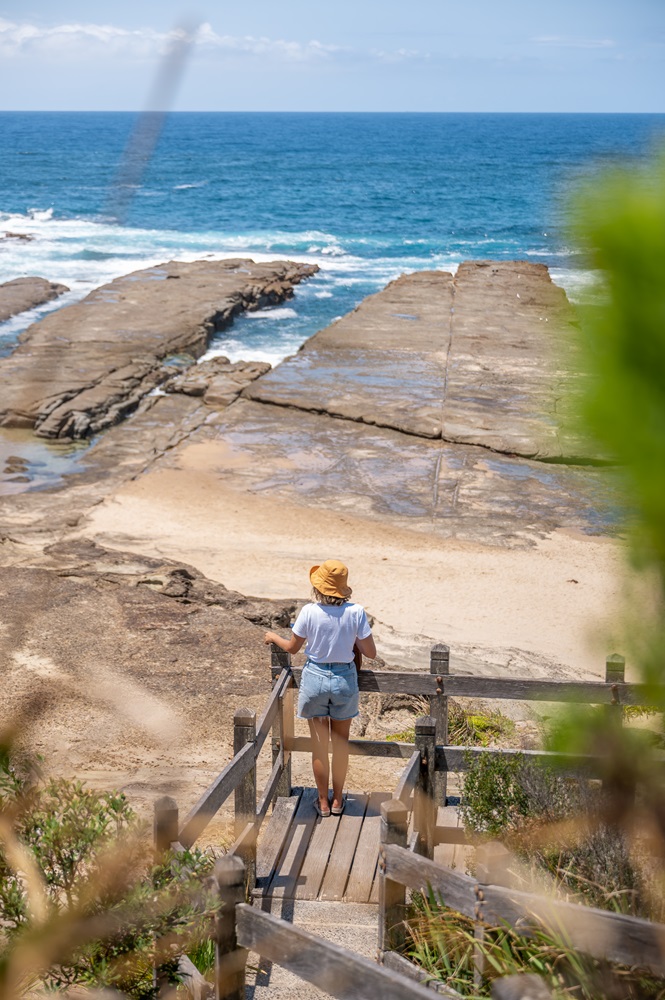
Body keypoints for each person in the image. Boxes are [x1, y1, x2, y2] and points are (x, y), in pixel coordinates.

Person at [264, 559, 376, 818]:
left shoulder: (309, 612)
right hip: (344, 680)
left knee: (319, 745)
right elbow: (370, 652)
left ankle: (323, 804)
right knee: (340, 745)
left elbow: (292, 648)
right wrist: (350, 642)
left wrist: (272, 637)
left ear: (318, 588)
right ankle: (338, 802)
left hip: (315, 678)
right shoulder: (356, 612)